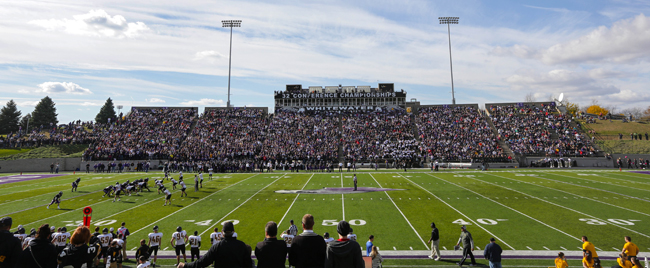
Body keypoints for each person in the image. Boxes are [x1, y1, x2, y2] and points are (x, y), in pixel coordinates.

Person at [177, 221, 253, 268]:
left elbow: (202, 262)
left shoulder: (217, 247)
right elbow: (249, 265)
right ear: (233, 231)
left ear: (222, 232)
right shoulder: (241, 245)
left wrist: (185, 265)